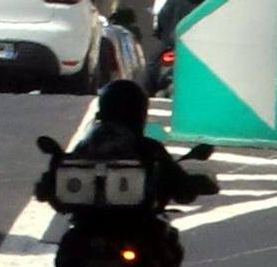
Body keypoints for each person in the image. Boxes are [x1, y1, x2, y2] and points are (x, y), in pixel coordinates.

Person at [35, 76, 214, 214]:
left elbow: (47, 188)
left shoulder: (88, 146)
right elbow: (182, 191)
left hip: (95, 226)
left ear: (102, 111)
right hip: (116, 227)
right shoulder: (148, 148)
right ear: (140, 114)